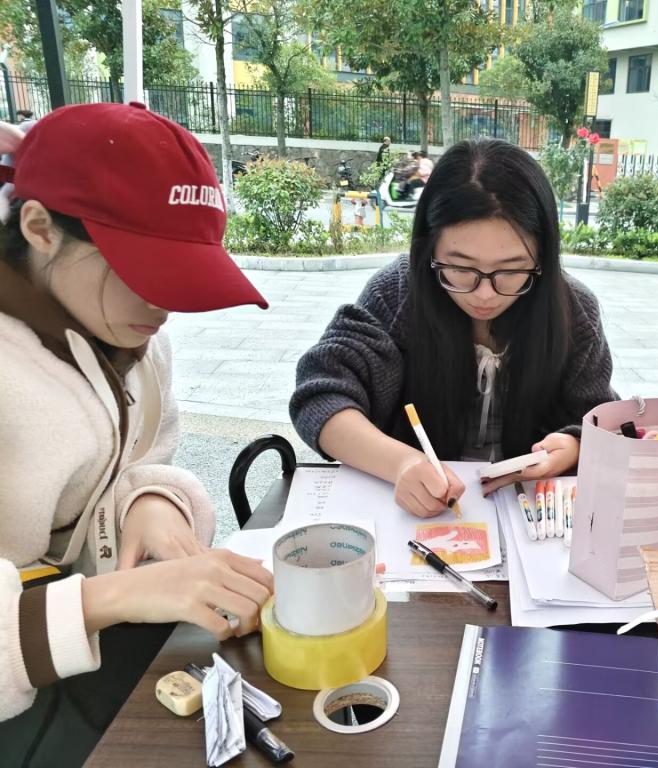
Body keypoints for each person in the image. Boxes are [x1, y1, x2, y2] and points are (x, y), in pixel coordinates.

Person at [0, 104, 274, 763]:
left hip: (86, 666)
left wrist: (149, 499)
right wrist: (115, 595)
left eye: (180, 274)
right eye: (141, 271)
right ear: (39, 228)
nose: (163, 305)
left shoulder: (132, 341)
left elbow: (136, 460)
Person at [290, 139, 616, 517]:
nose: (484, 295)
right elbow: (320, 397)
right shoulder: (398, 294)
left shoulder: (573, 310)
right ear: (429, 249)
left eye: (511, 270)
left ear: (542, 256)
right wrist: (402, 463)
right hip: (415, 519)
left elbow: (602, 421)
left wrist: (574, 446)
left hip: (532, 519)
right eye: (460, 268)